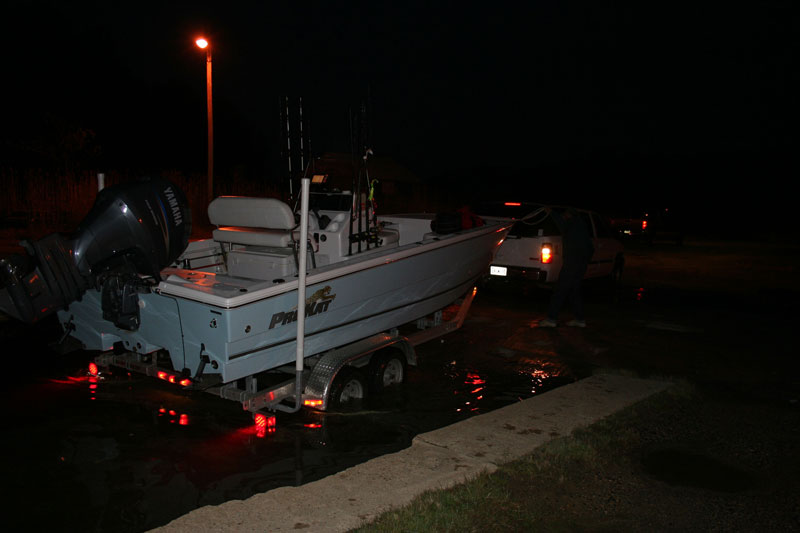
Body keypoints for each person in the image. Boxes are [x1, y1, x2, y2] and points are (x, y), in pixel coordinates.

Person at [539, 208, 594, 328]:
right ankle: (580, 320)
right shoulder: (580, 225)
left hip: (573, 262)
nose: (563, 216)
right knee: (573, 290)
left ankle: (551, 319)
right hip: (580, 263)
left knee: (560, 289)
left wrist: (551, 212)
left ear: (569, 214)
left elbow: (560, 223)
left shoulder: (572, 225)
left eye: (564, 214)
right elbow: (590, 248)